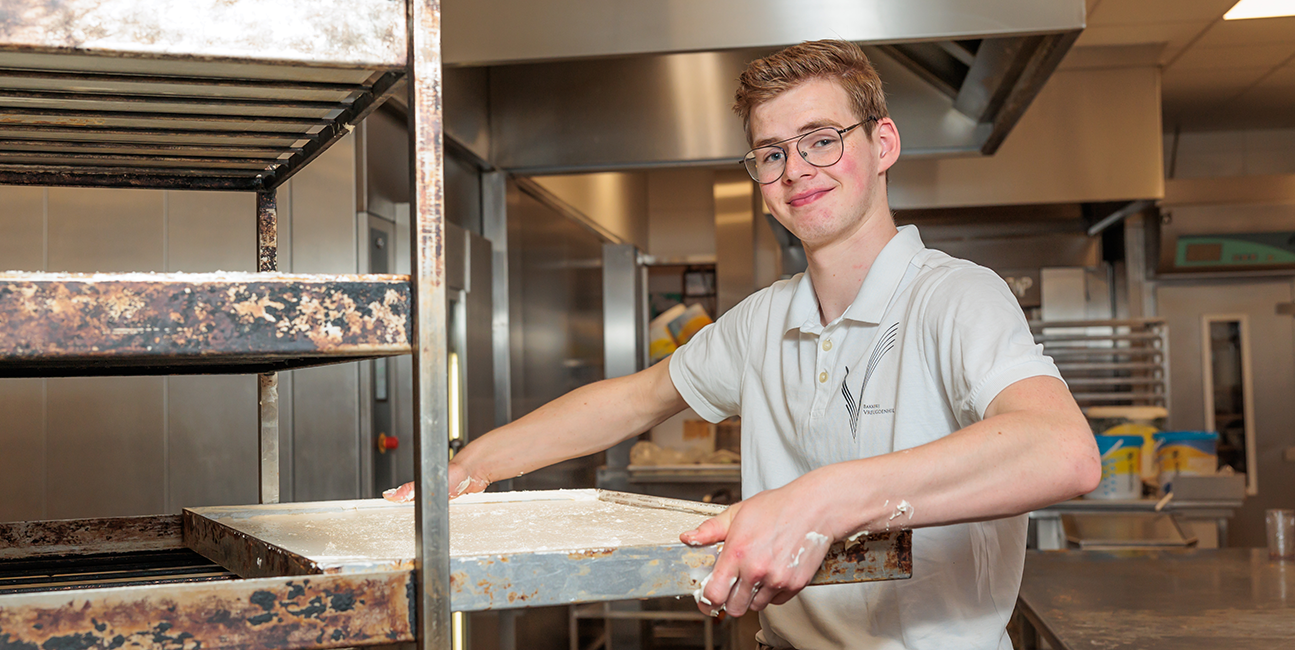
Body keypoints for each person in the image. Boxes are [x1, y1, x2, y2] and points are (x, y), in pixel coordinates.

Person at [386, 39, 1100, 650]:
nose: (796, 171)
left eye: (823, 139)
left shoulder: (952, 296)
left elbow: (1061, 452)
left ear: (882, 144)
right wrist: (471, 465)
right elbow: (634, 401)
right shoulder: (763, 320)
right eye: (771, 153)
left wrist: (822, 501)